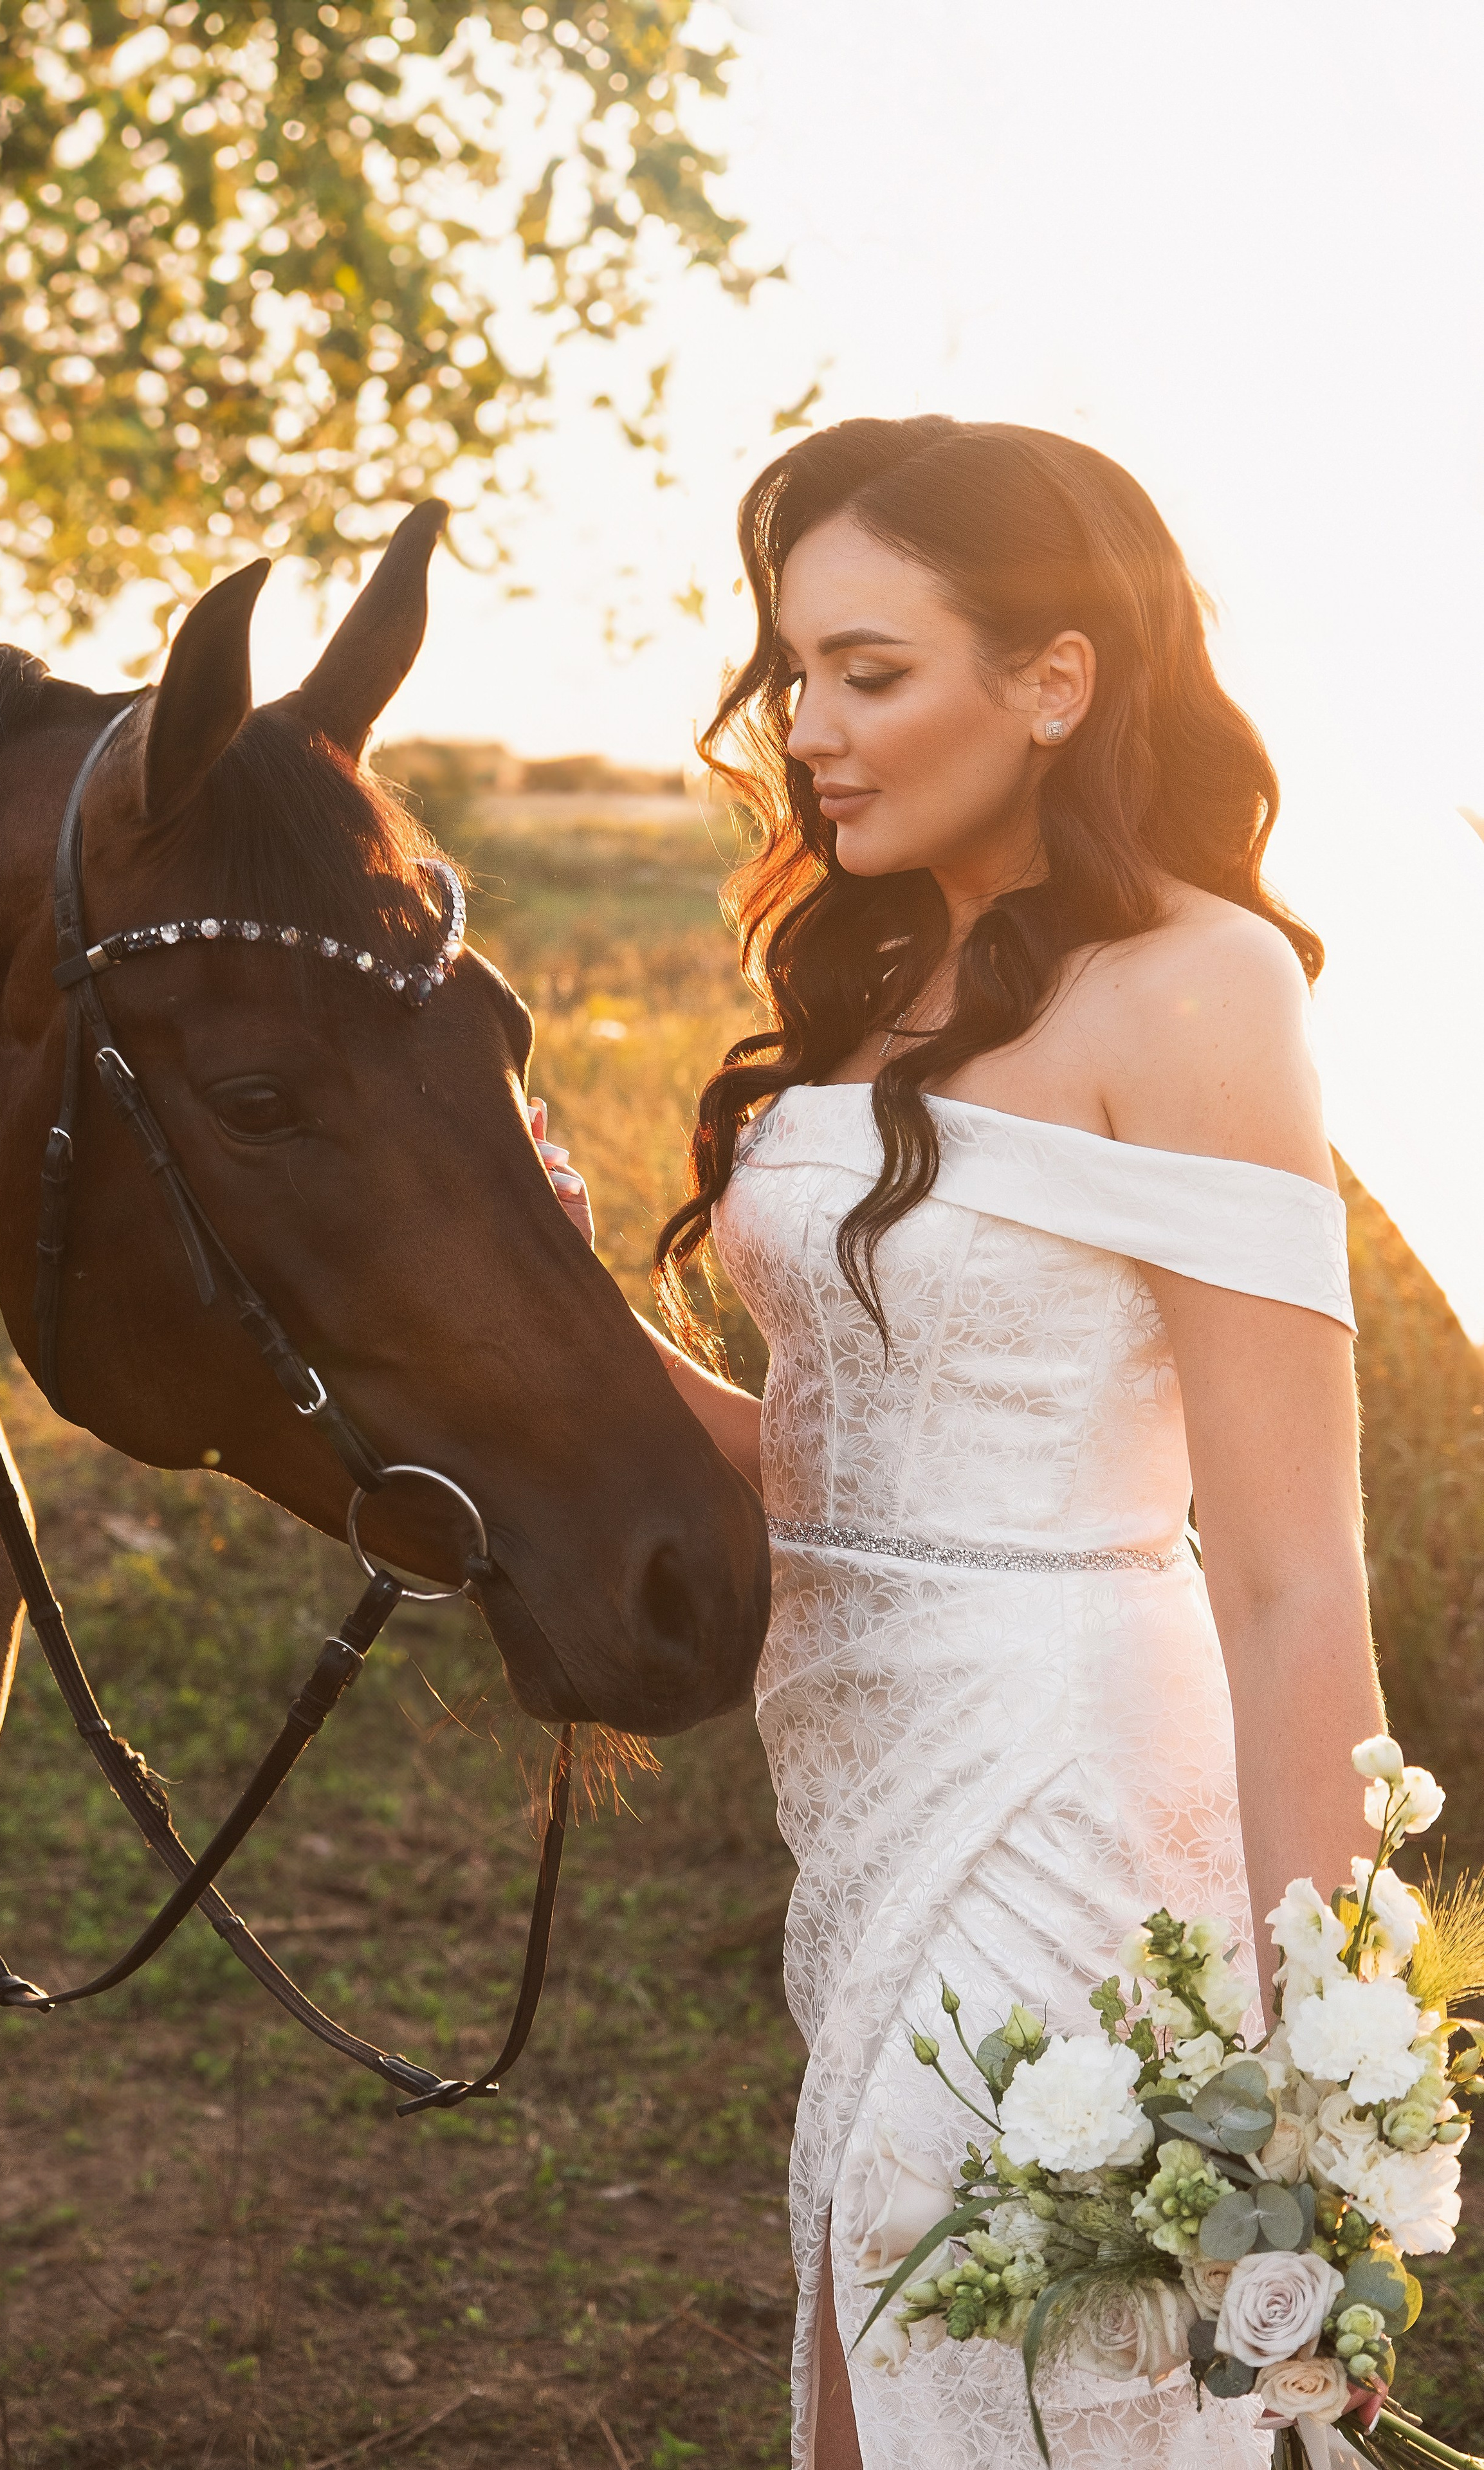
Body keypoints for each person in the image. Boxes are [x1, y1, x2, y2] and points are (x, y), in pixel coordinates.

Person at [531, 416, 1384, 2468]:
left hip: (1066, 1798)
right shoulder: (876, 963)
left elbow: (1291, 1578)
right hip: (863, 1788)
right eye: (795, 670)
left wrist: (1329, 2098)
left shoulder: (1199, 986)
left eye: (871, 672)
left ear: (1056, 678)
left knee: (995, 2363)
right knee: (876, 2340)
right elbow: (852, 1479)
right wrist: (569, 1301)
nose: (809, 725)